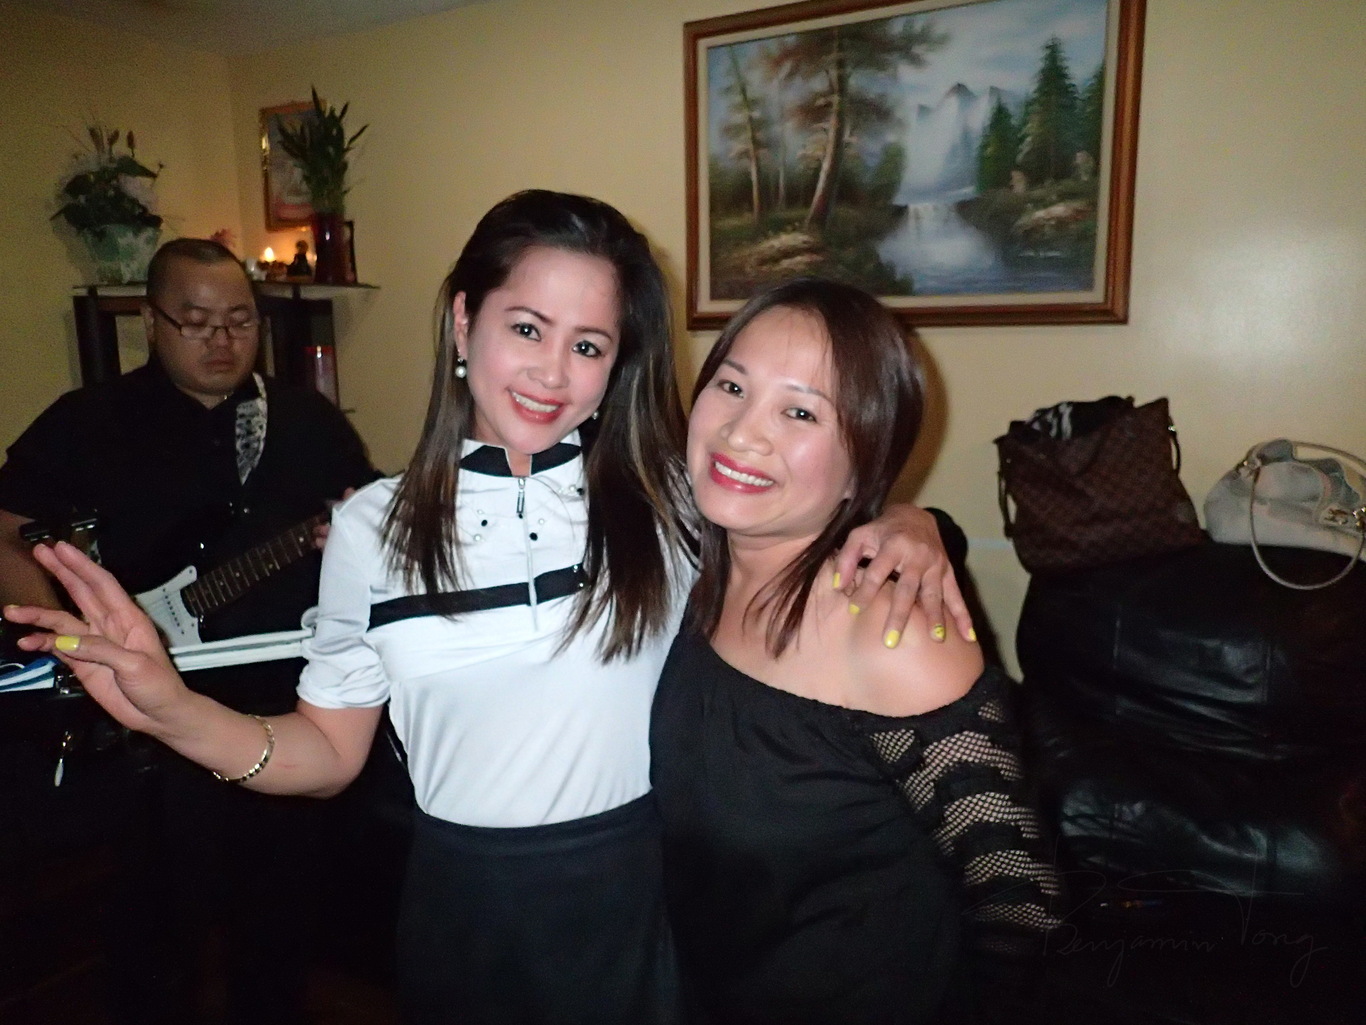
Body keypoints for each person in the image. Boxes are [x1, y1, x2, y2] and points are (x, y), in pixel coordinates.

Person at [5, 192, 970, 1025]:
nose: (553, 373)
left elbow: (809, 503)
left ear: (616, 363)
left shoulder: (666, 498)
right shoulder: (371, 528)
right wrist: (171, 707)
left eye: (587, 345)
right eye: (527, 328)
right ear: (464, 322)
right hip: (460, 906)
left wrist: (911, 520)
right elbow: (328, 753)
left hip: (643, 900)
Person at [650, 278, 1060, 1024]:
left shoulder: (891, 632)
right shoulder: (692, 564)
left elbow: (1021, 900)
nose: (742, 433)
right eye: (732, 386)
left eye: (800, 411)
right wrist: (915, 518)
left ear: (863, 462)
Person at [0, 237, 375, 1025]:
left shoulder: (305, 420)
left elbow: (367, 518)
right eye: (197, 322)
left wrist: (356, 535)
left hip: (289, 707)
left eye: (240, 320)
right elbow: (8, 529)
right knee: (155, 925)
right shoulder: (88, 421)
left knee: (279, 923)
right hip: (152, 726)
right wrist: (65, 635)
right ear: (151, 321)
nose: (223, 339)